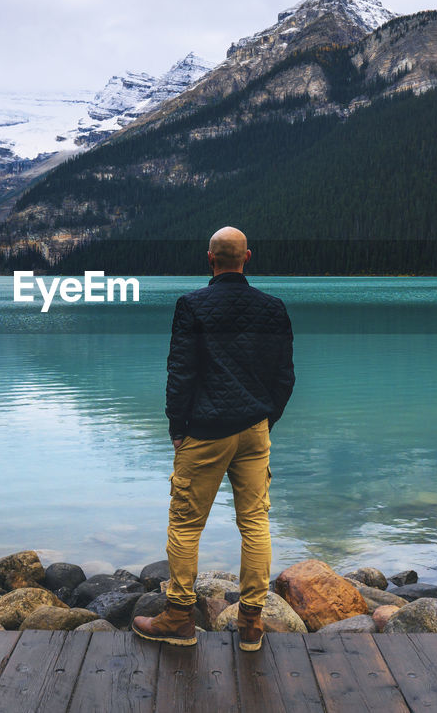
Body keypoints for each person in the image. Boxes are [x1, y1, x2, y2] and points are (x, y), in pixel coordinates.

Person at [132, 226, 295, 652]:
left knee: (186, 524)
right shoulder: (273, 308)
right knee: (255, 522)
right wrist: (265, 420)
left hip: (205, 432)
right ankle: (252, 624)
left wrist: (177, 428)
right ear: (248, 258)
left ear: (210, 259)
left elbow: (180, 373)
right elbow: (285, 376)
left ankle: (179, 618)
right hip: (254, 430)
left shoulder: (192, 306)